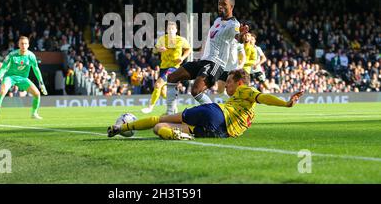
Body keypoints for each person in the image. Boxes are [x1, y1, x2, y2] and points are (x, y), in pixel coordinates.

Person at [107, 69, 303, 140]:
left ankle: (121, 127)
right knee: (159, 129)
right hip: (220, 132)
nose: (226, 87)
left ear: (239, 82)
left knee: (160, 119)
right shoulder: (246, 108)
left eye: (229, 83)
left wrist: (286, 103)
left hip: (215, 112)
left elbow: (263, 97)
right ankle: (180, 135)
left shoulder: (245, 90)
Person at [164, 0, 246, 115]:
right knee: (172, 77)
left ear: (231, 7)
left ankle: (217, 115)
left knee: (196, 91)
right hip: (204, 61)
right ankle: (170, 112)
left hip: (216, 64)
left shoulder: (234, 25)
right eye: (219, 4)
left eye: (224, 4)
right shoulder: (217, 21)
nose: (220, 7)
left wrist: (242, 36)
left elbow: (238, 38)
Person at [0, 36, 48, 120]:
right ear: (18, 45)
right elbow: (3, 68)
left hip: (23, 78)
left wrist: (41, 83)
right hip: (10, 77)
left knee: (37, 94)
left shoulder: (31, 56)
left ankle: (34, 114)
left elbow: (36, 69)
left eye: (25, 43)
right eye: (22, 44)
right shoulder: (12, 55)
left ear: (28, 45)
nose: (24, 45)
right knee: (2, 92)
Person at [141, 21, 191, 114]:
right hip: (163, 67)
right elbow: (154, 50)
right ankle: (174, 105)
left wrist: (182, 58)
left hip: (174, 67)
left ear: (176, 30)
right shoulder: (162, 39)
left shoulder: (181, 40)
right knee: (163, 92)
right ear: (166, 30)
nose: (171, 30)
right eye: (169, 29)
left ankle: (150, 107)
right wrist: (158, 49)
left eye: (172, 29)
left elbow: (188, 49)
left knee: (157, 85)